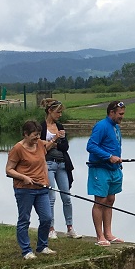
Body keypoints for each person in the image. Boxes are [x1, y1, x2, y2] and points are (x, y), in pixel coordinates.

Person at [6, 119, 59, 260]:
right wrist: (23, 177)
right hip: (24, 189)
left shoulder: (40, 144)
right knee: (24, 219)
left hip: (41, 188)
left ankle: (42, 246)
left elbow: (45, 154)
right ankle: (26, 250)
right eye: (34, 135)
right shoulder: (18, 149)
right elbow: (9, 170)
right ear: (25, 134)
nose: (37, 137)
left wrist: (56, 138)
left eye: (39, 134)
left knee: (47, 218)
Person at [87, 100, 126, 246]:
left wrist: (118, 161)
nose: (122, 116)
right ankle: (100, 236)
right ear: (111, 112)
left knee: (110, 199)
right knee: (100, 201)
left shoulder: (116, 127)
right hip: (100, 168)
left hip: (114, 169)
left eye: (123, 114)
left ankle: (108, 234)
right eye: (120, 114)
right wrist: (109, 157)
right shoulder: (101, 126)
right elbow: (91, 146)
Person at [41, 99, 81, 240]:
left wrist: (53, 143)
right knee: (51, 197)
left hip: (62, 164)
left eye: (61, 112)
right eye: (58, 112)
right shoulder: (41, 127)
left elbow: (65, 147)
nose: (60, 115)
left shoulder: (59, 126)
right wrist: (55, 139)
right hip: (48, 164)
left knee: (66, 197)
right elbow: (41, 148)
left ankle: (70, 227)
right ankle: (51, 228)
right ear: (50, 111)